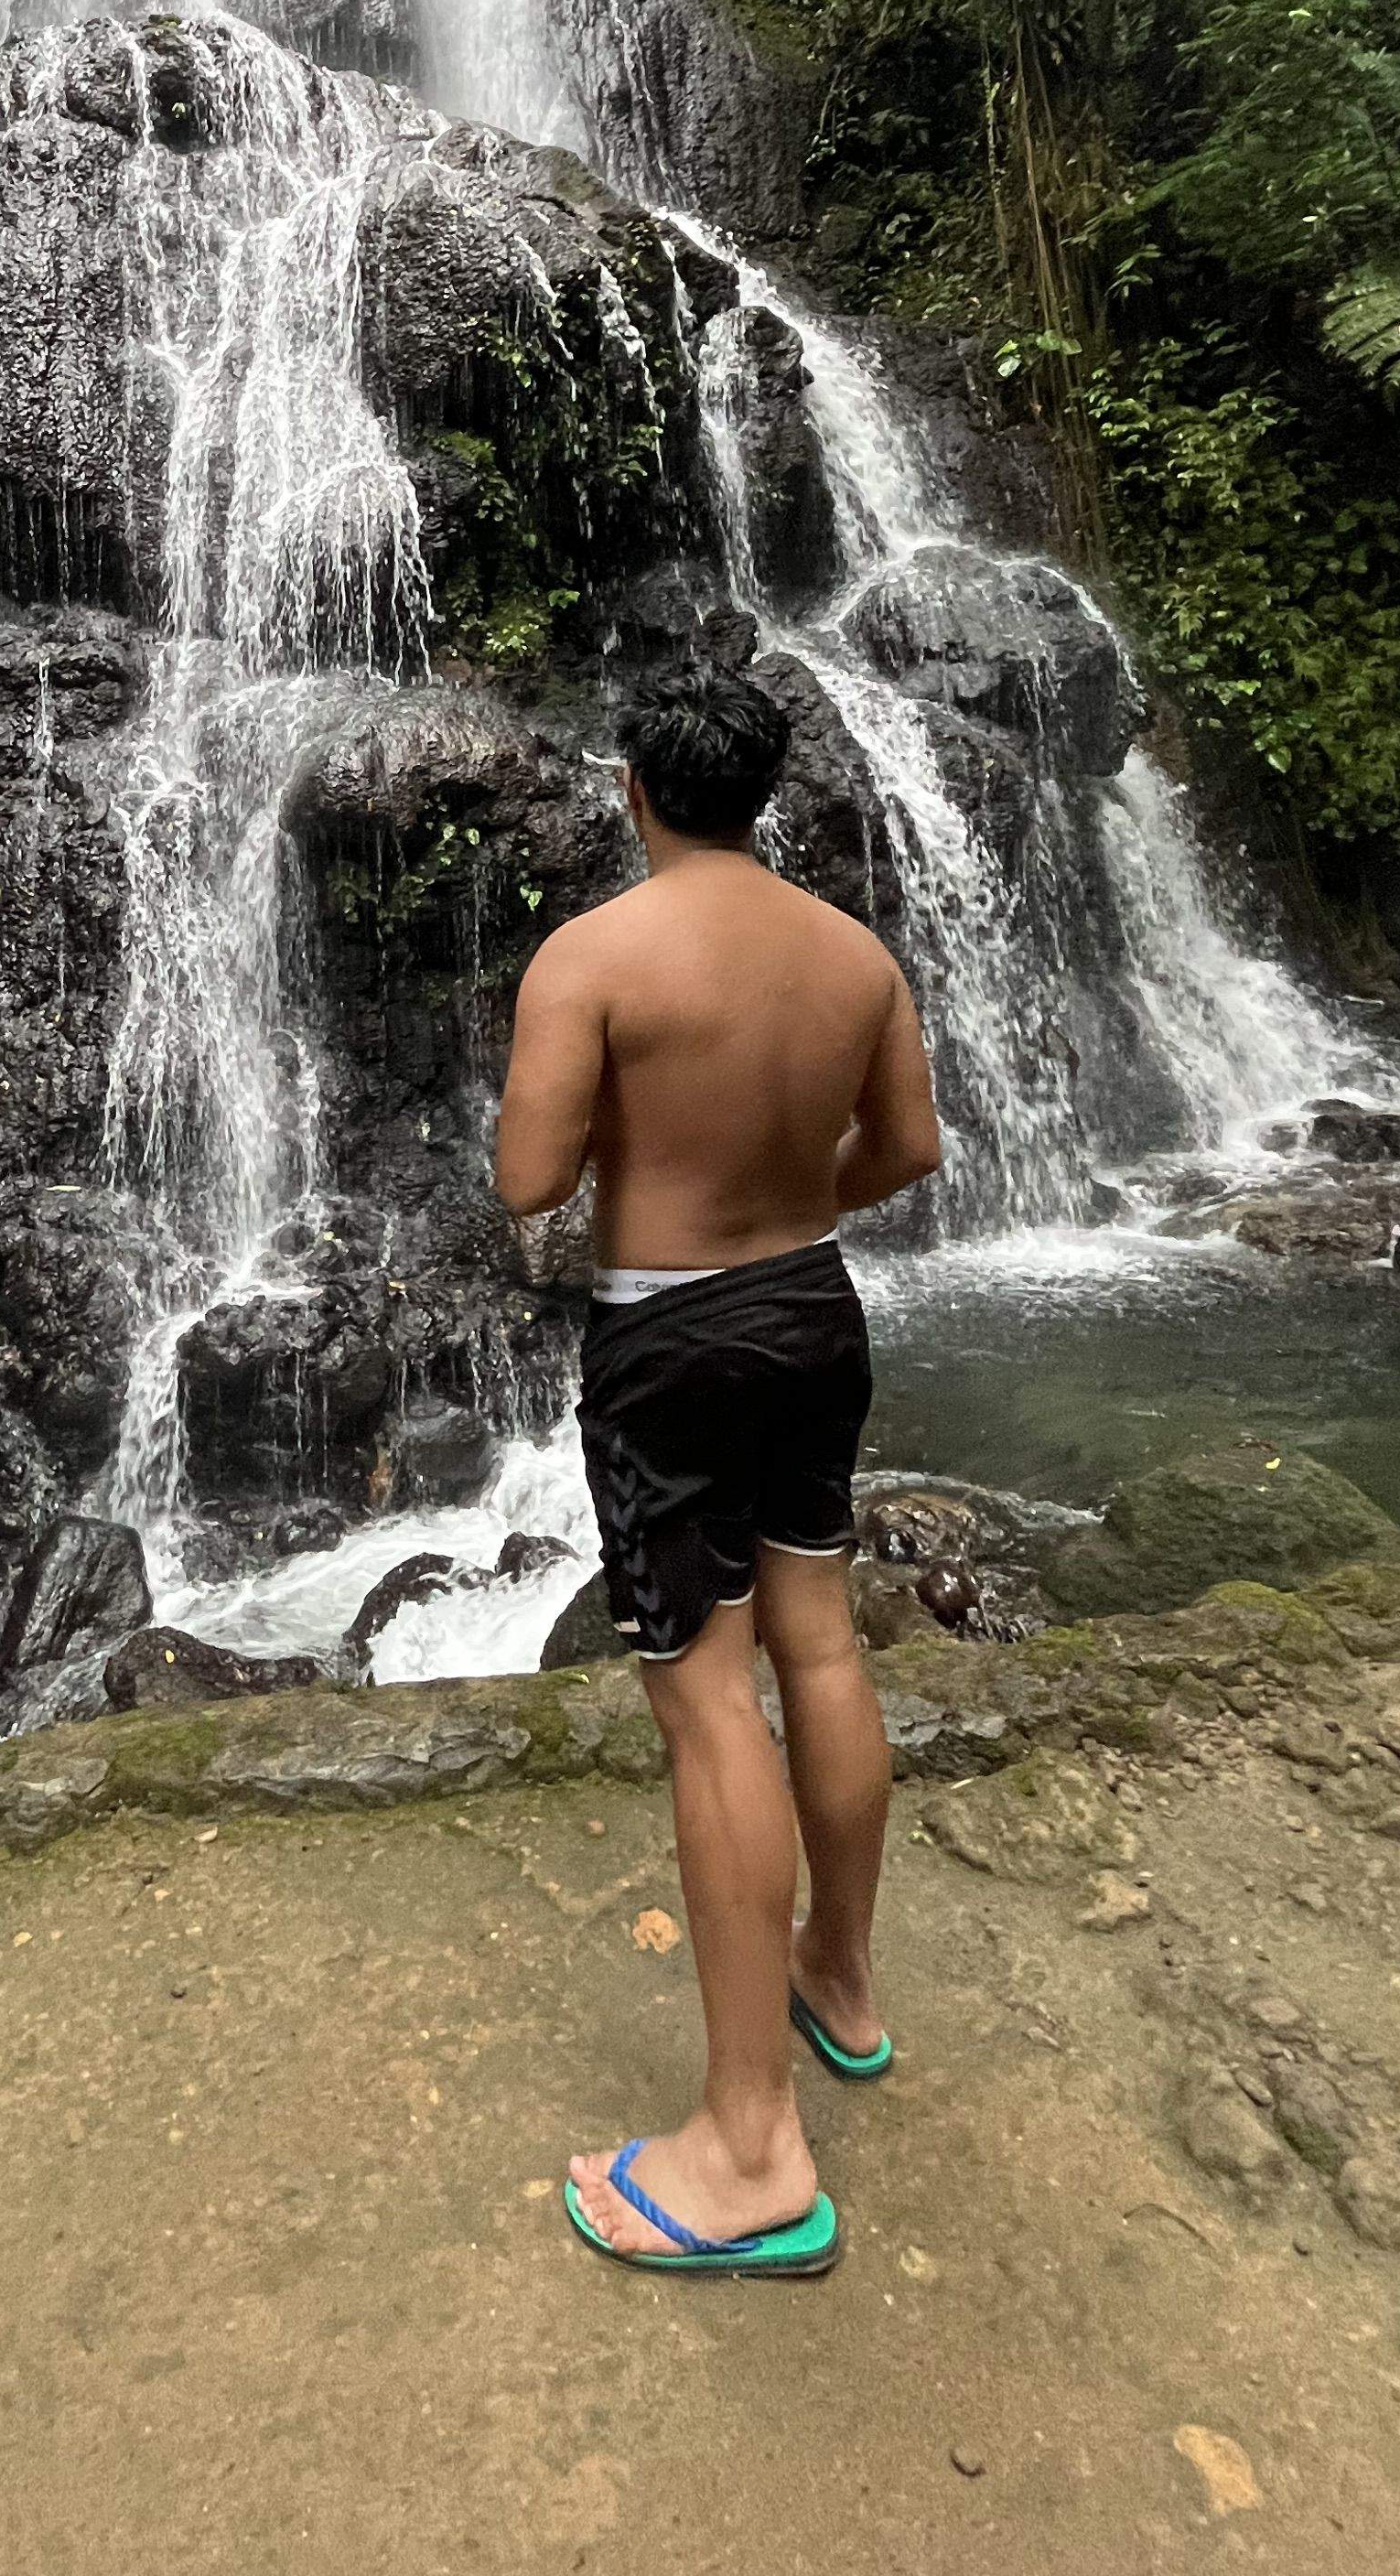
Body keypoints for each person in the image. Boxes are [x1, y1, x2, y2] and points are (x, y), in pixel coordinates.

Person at [494, 660, 942, 2280]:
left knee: (707, 1701)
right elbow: (907, 1152)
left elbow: (531, 1178)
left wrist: (635, 1133)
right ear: (763, 792)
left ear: (634, 788)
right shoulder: (854, 956)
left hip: (669, 1341)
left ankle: (750, 2147)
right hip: (815, 1310)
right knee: (821, 1638)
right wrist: (786, 1178)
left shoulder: (593, 959)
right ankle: (842, 1977)